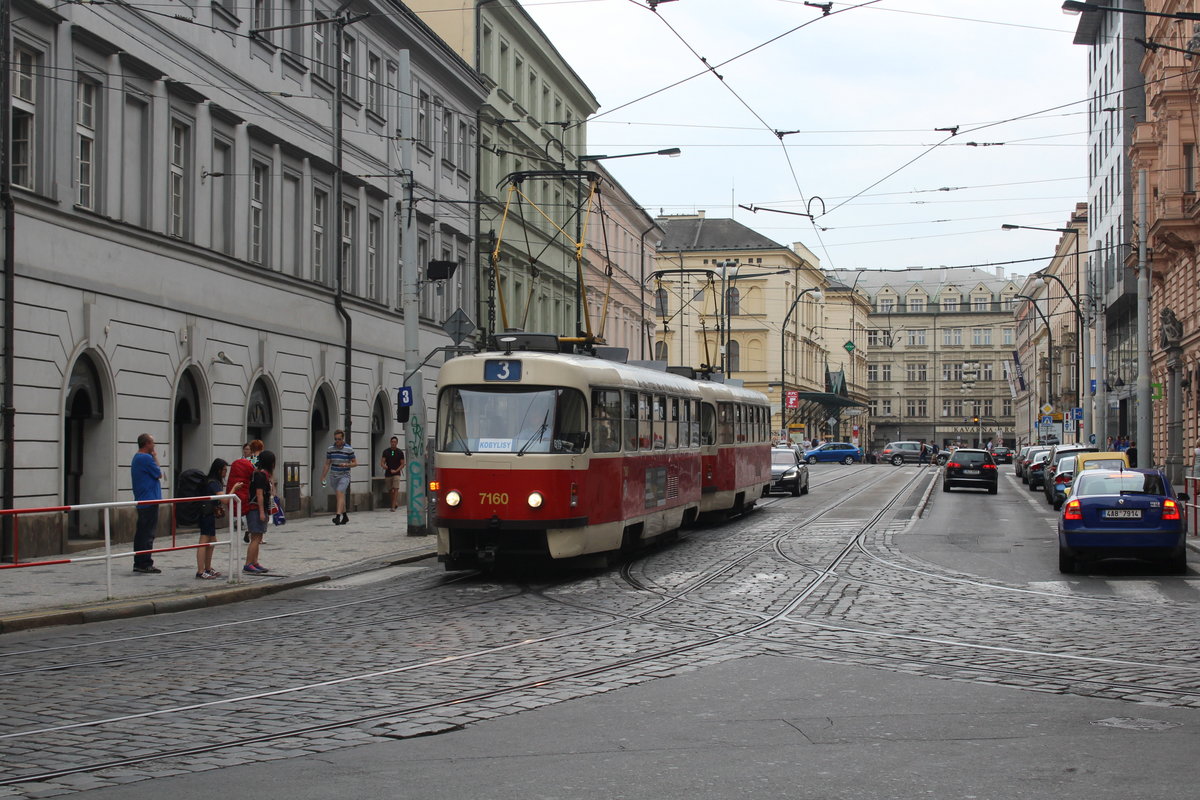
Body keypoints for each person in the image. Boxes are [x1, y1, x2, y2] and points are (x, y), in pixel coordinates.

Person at [196, 458, 240, 579]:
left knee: (212, 541)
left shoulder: (211, 481)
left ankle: (208, 568)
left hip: (207, 513)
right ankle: (201, 571)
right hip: (206, 514)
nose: (226, 473)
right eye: (224, 470)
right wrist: (234, 489)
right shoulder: (214, 482)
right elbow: (225, 499)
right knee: (204, 541)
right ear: (219, 470)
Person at [130, 433, 163, 574]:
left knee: (142, 532)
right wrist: (155, 456)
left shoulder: (137, 458)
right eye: (152, 442)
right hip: (150, 499)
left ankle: (139, 561)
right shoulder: (145, 458)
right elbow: (158, 473)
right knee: (148, 533)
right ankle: (145, 562)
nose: (154, 445)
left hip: (144, 499)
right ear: (147, 444)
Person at [243, 450, 275, 574]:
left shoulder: (263, 475)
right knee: (255, 538)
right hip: (255, 509)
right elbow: (259, 494)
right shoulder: (260, 475)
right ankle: (248, 564)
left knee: (258, 537)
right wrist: (262, 512)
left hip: (258, 508)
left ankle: (254, 562)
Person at [227, 439, 263, 539]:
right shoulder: (239, 460)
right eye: (246, 449)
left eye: (249, 449)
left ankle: (248, 529)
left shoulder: (253, 459)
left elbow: (255, 470)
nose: (247, 451)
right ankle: (241, 525)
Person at [320, 429, 358, 525]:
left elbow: (355, 463)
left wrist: (346, 464)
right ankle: (345, 516)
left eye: (339, 439)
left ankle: (337, 517)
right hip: (334, 475)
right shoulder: (330, 449)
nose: (337, 441)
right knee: (340, 496)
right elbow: (327, 463)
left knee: (339, 492)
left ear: (343, 438)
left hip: (344, 475)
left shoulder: (349, 449)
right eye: (336, 439)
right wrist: (323, 476)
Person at [381, 436, 405, 512]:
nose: (393, 443)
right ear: (390, 442)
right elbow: (382, 462)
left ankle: (393, 507)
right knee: (390, 490)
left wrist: (396, 470)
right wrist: (384, 466)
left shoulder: (400, 452)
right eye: (392, 442)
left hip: (397, 473)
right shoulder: (386, 451)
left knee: (396, 488)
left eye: (395, 442)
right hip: (388, 473)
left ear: (397, 443)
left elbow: (402, 464)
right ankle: (395, 503)